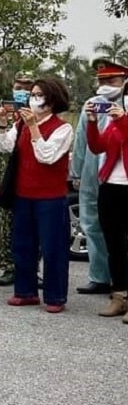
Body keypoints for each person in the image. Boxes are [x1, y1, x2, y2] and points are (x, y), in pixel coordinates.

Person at [0, 77, 73, 313]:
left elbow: (46, 156)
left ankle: (55, 296)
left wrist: (34, 128)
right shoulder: (20, 125)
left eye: (39, 95)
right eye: (32, 94)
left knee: (53, 249)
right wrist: (2, 123)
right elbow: (3, 146)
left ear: (51, 101)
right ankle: (25, 291)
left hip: (50, 198)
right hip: (23, 195)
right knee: (23, 246)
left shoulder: (63, 128)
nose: (33, 99)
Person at [71, 60, 127, 295]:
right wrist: (76, 172)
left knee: (120, 232)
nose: (105, 86)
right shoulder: (92, 104)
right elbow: (82, 140)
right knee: (92, 224)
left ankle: (121, 281)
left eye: (111, 81)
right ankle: (99, 277)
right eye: (102, 81)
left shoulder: (124, 105)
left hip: (121, 173)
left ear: (124, 81)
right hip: (95, 172)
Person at [0, 70, 36, 286]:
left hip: (29, 182)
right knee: (6, 228)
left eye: (27, 87)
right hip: (5, 181)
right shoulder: (1, 116)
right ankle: (8, 268)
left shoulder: (37, 116)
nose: (22, 91)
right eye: (19, 86)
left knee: (31, 229)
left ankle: (31, 269)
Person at [85, 70, 128, 321]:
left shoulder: (121, 120)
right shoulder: (115, 120)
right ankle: (119, 295)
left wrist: (123, 120)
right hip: (111, 185)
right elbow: (98, 146)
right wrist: (92, 122)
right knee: (115, 244)